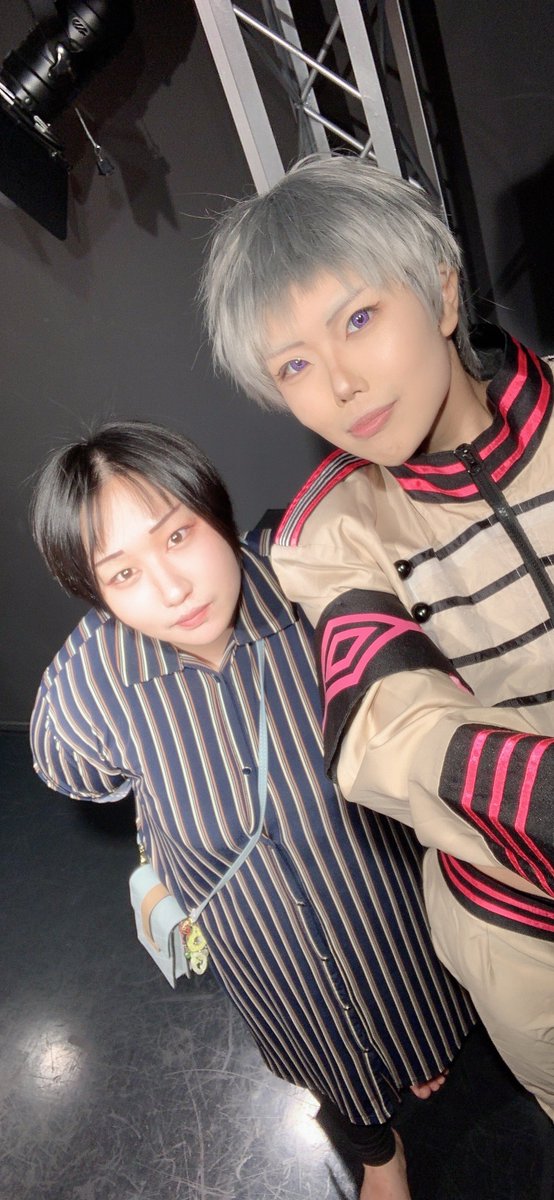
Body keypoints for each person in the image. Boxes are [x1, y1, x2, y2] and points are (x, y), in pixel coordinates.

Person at [29, 420, 475, 1200]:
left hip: (386, 895)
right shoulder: (84, 692)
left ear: (215, 508)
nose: (173, 589)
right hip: (256, 937)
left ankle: (417, 1054)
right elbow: (82, 774)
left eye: (178, 536)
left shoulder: (316, 585)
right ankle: (379, 1153)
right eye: (122, 573)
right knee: (319, 1053)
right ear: (94, 593)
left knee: (418, 998)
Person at [201, 153, 554, 1122]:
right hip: (525, 931)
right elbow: (388, 731)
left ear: (439, 293)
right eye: (295, 366)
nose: (343, 384)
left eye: (358, 319)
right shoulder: (327, 532)